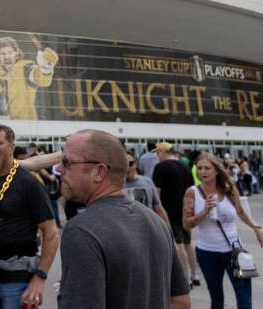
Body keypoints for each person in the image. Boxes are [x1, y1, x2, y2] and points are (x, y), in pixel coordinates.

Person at [59, 130, 190, 309]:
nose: (59, 169)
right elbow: (181, 301)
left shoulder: (82, 231)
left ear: (99, 172)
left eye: (66, 162)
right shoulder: (156, 222)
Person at [0, 125, 58, 309]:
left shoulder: (28, 183)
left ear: (11, 147)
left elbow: (51, 233)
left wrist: (40, 277)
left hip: (17, 280)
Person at [182, 153, 263, 309]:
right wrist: (204, 212)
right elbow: (186, 224)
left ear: (216, 170)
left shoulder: (229, 189)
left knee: (244, 299)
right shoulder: (192, 192)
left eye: (207, 168)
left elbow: (242, 213)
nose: (203, 172)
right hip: (207, 253)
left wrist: (259, 231)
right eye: (199, 168)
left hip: (234, 251)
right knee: (217, 300)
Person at [151, 142, 199, 286]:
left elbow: (157, 192)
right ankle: (195, 275)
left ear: (164, 152)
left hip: (169, 211)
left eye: (158, 152)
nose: (157, 155)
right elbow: (192, 189)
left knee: (178, 244)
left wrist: (156, 210)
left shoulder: (160, 167)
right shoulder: (185, 166)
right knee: (188, 243)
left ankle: (185, 278)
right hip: (186, 210)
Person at [123, 152, 169, 224]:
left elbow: (158, 207)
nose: (127, 167)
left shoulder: (147, 182)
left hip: (147, 226)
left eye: (130, 163)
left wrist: (168, 230)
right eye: (123, 164)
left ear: (135, 164)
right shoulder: (115, 184)